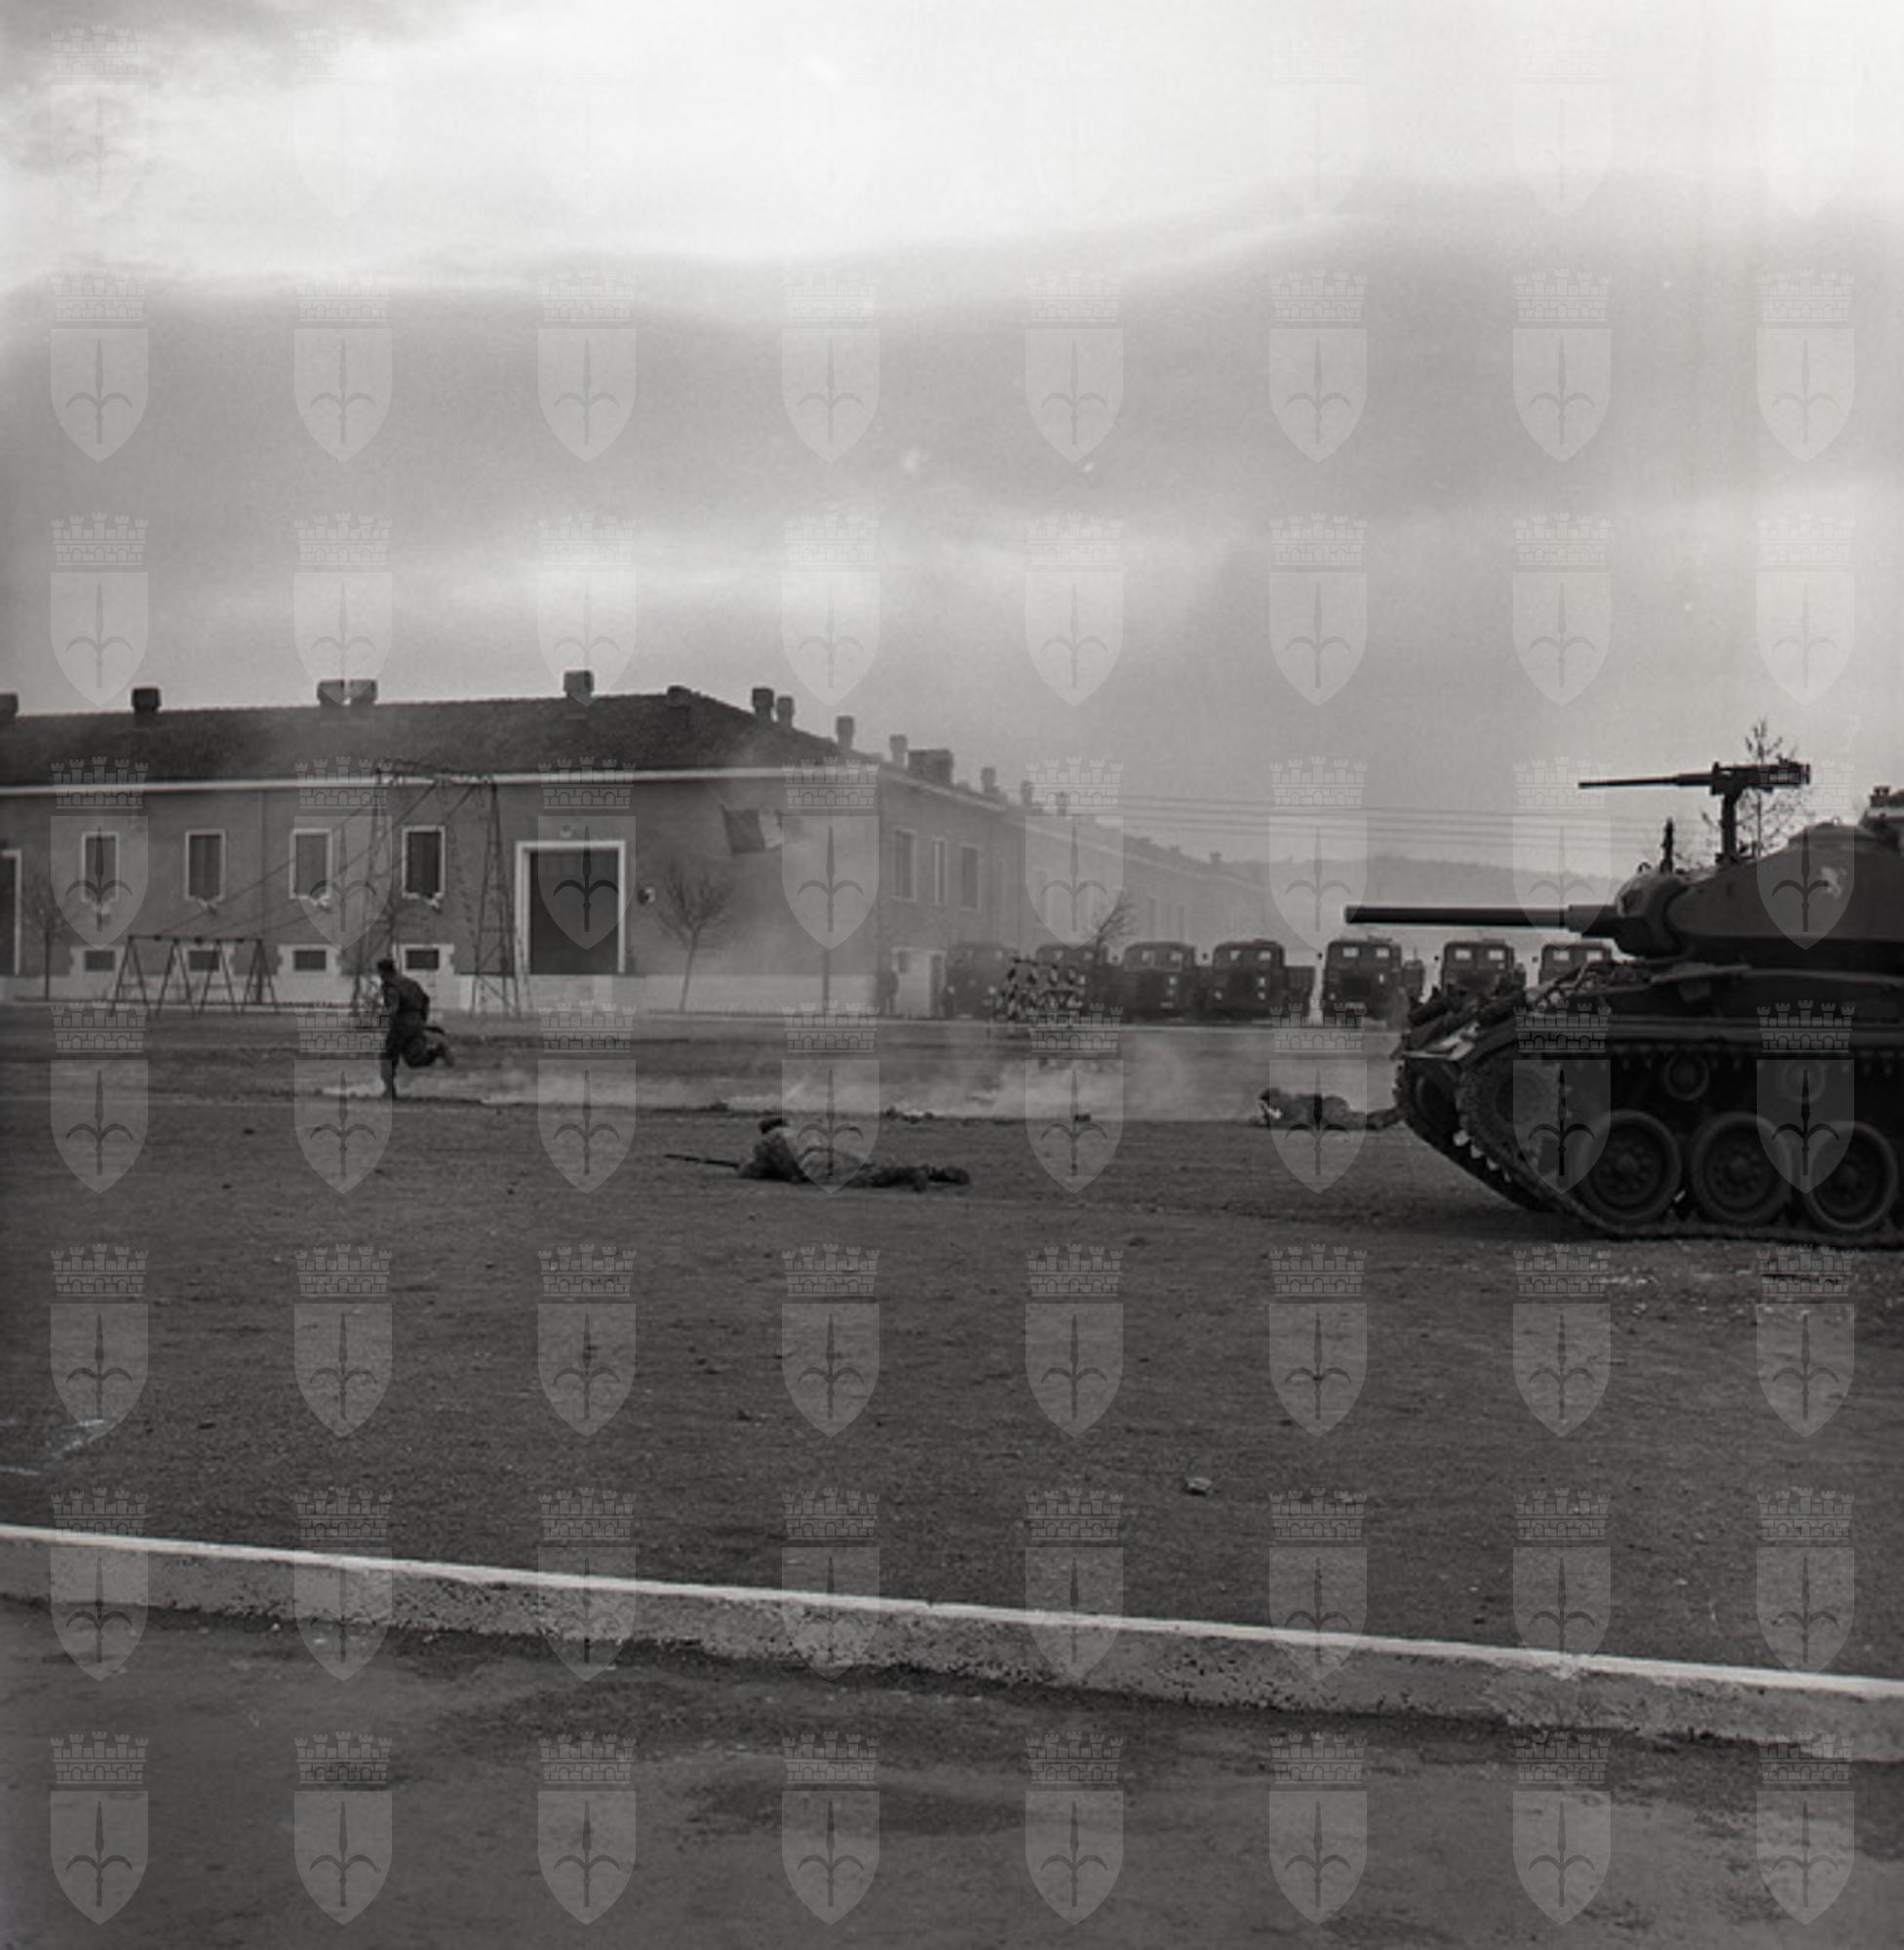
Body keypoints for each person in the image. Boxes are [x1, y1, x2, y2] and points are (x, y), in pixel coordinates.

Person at [375, 956, 452, 1099]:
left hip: (400, 1024)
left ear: (382, 972)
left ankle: (390, 1092)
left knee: (386, 1057)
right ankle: (437, 1052)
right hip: (417, 1022)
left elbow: (393, 1007)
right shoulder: (411, 983)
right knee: (414, 1059)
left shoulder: (390, 985)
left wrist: (383, 1021)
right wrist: (421, 1020)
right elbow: (426, 1000)